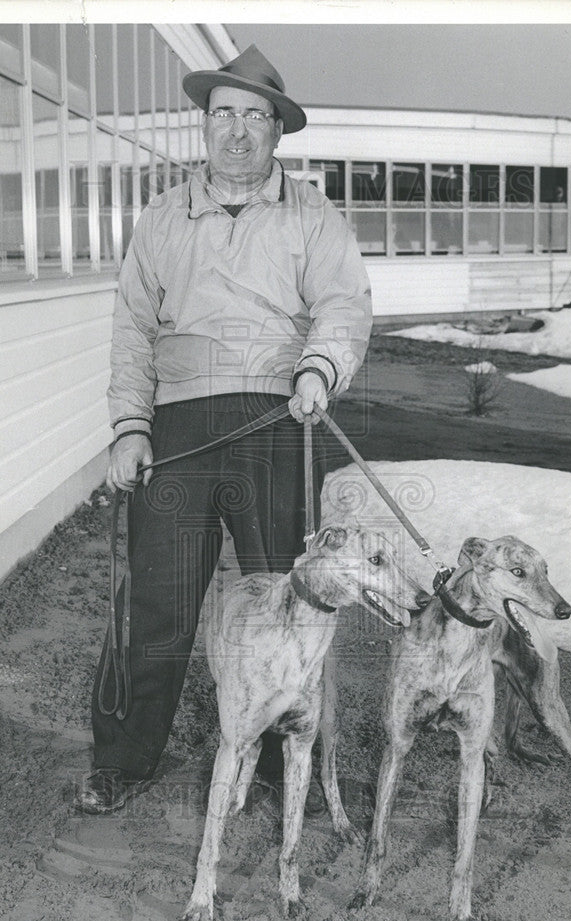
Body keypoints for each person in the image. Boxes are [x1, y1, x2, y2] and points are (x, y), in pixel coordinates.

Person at [75, 45, 372, 815]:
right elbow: (132, 329)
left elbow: (342, 305)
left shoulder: (312, 213)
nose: (236, 132)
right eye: (222, 115)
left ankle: (281, 764)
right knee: (158, 602)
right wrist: (129, 427)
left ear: (276, 130)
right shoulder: (163, 217)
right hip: (178, 425)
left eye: (253, 117)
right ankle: (125, 757)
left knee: (289, 593)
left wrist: (317, 369)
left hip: (280, 419)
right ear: (204, 125)